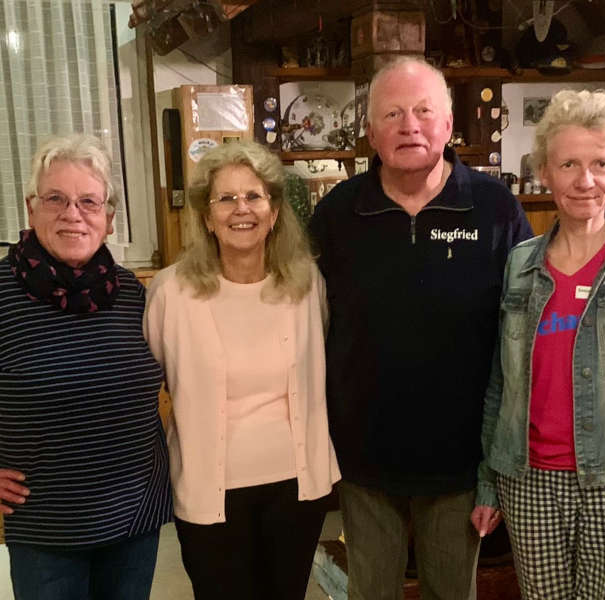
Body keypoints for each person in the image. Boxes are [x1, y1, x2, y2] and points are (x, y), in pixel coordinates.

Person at [309, 56, 533, 600]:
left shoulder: (495, 208)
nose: (409, 125)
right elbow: (309, 324)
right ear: (370, 132)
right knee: (371, 593)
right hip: (364, 454)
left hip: (461, 458)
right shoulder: (338, 213)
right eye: (392, 114)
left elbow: (523, 328)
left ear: (448, 125)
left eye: (423, 111)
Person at [473, 89, 605, 599]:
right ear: (544, 171)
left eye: (600, 163)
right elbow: (500, 384)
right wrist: (488, 481)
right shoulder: (520, 263)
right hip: (527, 481)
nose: (585, 180)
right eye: (568, 163)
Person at [143, 141, 340, 600]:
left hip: (298, 488)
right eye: (225, 199)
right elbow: (140, 383)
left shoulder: (306, 283)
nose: (241, 210)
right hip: (210, 494)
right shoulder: (172, 293)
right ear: (207, 217)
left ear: (274, 211)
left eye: (254, 196)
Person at [0, 134, 172, 599]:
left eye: (88, 202)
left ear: (109, 219)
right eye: (56, 199)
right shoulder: (2, 293)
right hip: (45, 528)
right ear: (31, 208)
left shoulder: (134, 294)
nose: (72, 214)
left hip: (136, 517)